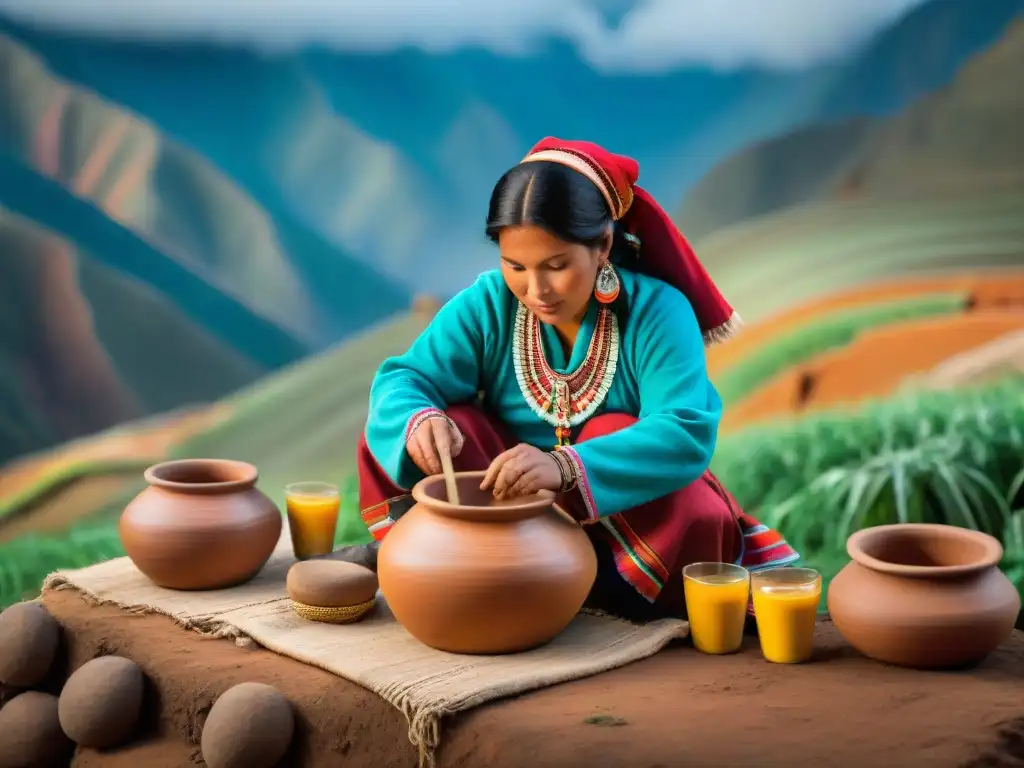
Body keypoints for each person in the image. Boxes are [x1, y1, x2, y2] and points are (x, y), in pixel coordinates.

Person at [352, 137, 799, 623]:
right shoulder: (487, 304)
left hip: (622, 526)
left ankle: (596, 590)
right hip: (510, 511)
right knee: (438, 424)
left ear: (603, 244)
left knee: (644, 457)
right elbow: (405, 377)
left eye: (556, 266)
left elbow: (684, 429)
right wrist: (419, 420)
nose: (535, 290)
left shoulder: (658, 312)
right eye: (515, 266)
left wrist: (565, 467)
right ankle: (454, 559)